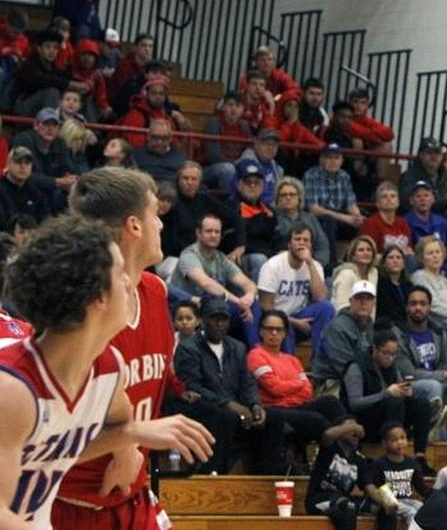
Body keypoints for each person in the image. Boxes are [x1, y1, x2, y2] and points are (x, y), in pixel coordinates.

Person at [0, 217, 212, 530]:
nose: (130, 281)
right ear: (98, 298)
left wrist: (131, 435)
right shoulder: (13, 390)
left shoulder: (109, 368)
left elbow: (60, 449)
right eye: (119, 272)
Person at [54, 166, 196, 530]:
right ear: (134, 226)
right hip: (69, 502)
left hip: (133, 495)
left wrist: (132, 446)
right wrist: (124, 443)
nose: (161, 225)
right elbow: (46, 437)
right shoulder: (77, 313)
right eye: (154, 214)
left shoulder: (156, 291)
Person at [173, 297, 286, 475]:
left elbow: (247, 382)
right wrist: (229, 404)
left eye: (223, 319)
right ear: (202, 320)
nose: (219, 324)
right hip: (203, 406)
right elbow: (192, 385)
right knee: (224, 417)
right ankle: (213, 474)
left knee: (275, 418)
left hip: (234, 408)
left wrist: (255, 405)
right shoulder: (188, 347)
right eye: (214, 318)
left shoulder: (237, 347)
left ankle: (267, 477)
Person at [246, 310, 350, 448]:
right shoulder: (256, 355)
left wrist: (289, 388)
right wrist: (297, 384)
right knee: (316, 420)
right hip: (273, 410)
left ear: (285, 334)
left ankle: (349, 433)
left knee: (330, 402)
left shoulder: (292, 360)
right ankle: (339, 447)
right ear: (260, 332)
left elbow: (307, 391)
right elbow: (274, 388)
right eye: (269, 329)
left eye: (278, 329)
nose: (274, 333)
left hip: (296, 406)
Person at [395, 286, 447, 441]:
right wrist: (441, 375)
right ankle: (430, 439)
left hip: (436, 386)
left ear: (429, 307)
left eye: (423, 303)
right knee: (433, 386)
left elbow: (442, 363)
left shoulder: (438, 332)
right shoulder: (399, 333)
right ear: (407, 307)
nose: (418, 308)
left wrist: (441, 375)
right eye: (413, 304)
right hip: (408, 387)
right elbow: (408, 373)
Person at [343, 330, 435, 465]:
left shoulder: (392, 367)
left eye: (393, 354)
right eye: (386, 353)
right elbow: (355, 404)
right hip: (363, 420)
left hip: (390, 415)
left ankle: (420, 456)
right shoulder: (356, 366)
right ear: (374, 349)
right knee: (394, 402)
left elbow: (397, 389)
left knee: (421, 404)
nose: (390, 358)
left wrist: (406, 392)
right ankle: (392, 455)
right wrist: (386, 393)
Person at [169, 214, 261, 331]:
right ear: (198, 233)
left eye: (217, 232)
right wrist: (238, 301)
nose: (213, 235)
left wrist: (249, 297)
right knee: (213, 299)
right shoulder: (188, 255)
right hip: (192, 310)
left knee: (253, 303)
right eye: (208, 231)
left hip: (218, 308)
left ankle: (257, 347)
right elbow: (205, 283)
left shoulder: (221, 258)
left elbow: (247, 283)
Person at [305, 418, 396, 530]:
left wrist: (387, 501)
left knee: (385, 509)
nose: (355, 431)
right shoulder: (328, 449)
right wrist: (355, 427)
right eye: (349, 427)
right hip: (319, 499)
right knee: (348, 506)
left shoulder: (359, 459)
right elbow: (327, 434)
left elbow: (370, 488)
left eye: (357, 428)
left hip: (343, 501)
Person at [257, 224, 335, 351]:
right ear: (289, 244)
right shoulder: (272, 266)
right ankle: (290, 368)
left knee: (326, 308)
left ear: (311, 245)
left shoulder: (314, 266)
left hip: (299, 315)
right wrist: (293, 322)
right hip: (276, 319)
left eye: (306, 240)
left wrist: (309, 263)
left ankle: (319, 362)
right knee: (285, 328)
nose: (301, 243)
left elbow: (321, 298)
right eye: (297, 239)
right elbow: (266, 307)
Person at [310, 280, 378, 391]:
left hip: (357, 380)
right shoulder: (337, 327)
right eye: (359, 298)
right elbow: (346, 367)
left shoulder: (369, 324)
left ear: (374, 303)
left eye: (368, 299)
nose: (363, 302)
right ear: (351, 301)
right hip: (332, 385)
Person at [305, 143, 364, 246]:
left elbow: (351, 204)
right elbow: (313, 209)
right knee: (329, 221)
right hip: (319, 217)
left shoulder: (345, 176)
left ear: (342, 161)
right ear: (321, 160)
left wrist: (357, 216)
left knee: (364, 222)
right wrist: (344, 217)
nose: (333, 162)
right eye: (329, 158)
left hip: (340, 216)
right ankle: (331, 261)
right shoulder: (311, 175)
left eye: (336, 158)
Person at [377, 422, 433, 525]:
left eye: (402, 438)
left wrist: (436, 494)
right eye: (394, 440)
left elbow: (421, 486)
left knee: (422, 508)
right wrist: (388, 501)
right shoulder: (380, 464)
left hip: (407, 500)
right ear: (385, 444)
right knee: (410, 512)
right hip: (390, 501)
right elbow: (377, 486)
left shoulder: (412, 463)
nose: (399, 442)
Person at [272, 176, 331, 269]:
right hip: (282, 267)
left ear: (299, 197)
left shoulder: (310, 218)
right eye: (283, 195)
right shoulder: (271, 218)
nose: (288, 197)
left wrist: (315, 264)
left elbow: (322, 246)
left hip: (311, 266)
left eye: (292, 194)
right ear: (278, 199)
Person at [403, 180, 447, 274]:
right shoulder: (405, 222)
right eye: (418, 196)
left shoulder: (442, 222)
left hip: (441, 272)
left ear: (433, 199)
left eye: (426, 195)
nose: (423, 199)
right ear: (411, 200)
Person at [360, 181, 414, 259]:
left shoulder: (403, 223)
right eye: (384, 196)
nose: (389, 199)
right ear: (378, 203)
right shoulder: (370, 224)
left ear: (398, 202)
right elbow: (369, 255)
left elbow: (409, 250)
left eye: (393, 196)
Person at [132, 118, 188, 185]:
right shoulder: (136, 155)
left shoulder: (180, 156)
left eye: (164, 138)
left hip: (171, 191)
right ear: (148, 136)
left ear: (170, 138)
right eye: (155, 137)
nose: (159, 142)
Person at [332, 235, 380, 311]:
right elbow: (341, 306)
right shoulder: (346, 274)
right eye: (361, 250)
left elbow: (372, 304)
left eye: (369, 250)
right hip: (344, 319)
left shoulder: (373, 273)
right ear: (353, 255)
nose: (366, 253)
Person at [376, 245, 413, 330]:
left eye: (398, 257)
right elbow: (385, 310)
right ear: (384, 263)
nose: (395, 260)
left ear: (404, 263)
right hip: (388, 326)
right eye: (391, 257)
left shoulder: (409, 285)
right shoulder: (380, 283)